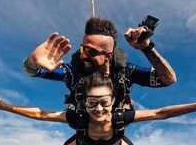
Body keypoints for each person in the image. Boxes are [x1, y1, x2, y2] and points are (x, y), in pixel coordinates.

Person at [0, 72, 196, 145]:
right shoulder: (77, 117)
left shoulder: (122, 116)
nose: (98, 109)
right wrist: (5, 106)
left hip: (112, 140)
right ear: (84, 103)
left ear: (113, 102)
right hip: (86, 141)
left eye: (104, 103)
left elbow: (160, 113)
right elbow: (41, 115)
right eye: (91, 103)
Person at [22, 16, 177, 98]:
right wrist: (33, 61)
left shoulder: (125, 71)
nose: (83, 55)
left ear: (109, 56)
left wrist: (147, 49)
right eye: (82, 48)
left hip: (114, 126)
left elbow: (168, 80)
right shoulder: (73, 71)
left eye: (91, 51)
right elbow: (33, 72)